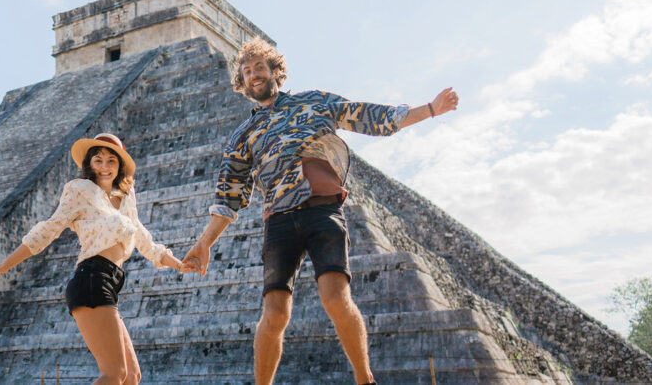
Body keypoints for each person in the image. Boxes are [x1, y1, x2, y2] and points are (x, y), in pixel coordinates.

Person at [181, 38, 460, 385]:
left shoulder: (314, 102)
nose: (253, 74)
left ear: (275, 72)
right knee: (274, 314)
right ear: (241, 81)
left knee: (335, 298)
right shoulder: (244, 135)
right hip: (279, 221)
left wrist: (430, 109)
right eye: (246, 70)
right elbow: (229, 196)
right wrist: (205, 242)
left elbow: (370, 116)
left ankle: (364, 378)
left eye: (259, 67)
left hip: (321, 210)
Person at [0, 133, 189, 385]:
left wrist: (177, 263)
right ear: (89, 165)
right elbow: (48, 230)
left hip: (111, 283)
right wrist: (6, 264)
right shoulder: (79, 190)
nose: (104, 167)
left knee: (132, 377)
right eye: (98, 160)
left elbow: (144, 240)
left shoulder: (126, 197)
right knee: (114, 374)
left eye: (111, 161)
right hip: (92, 278)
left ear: (119, 165)